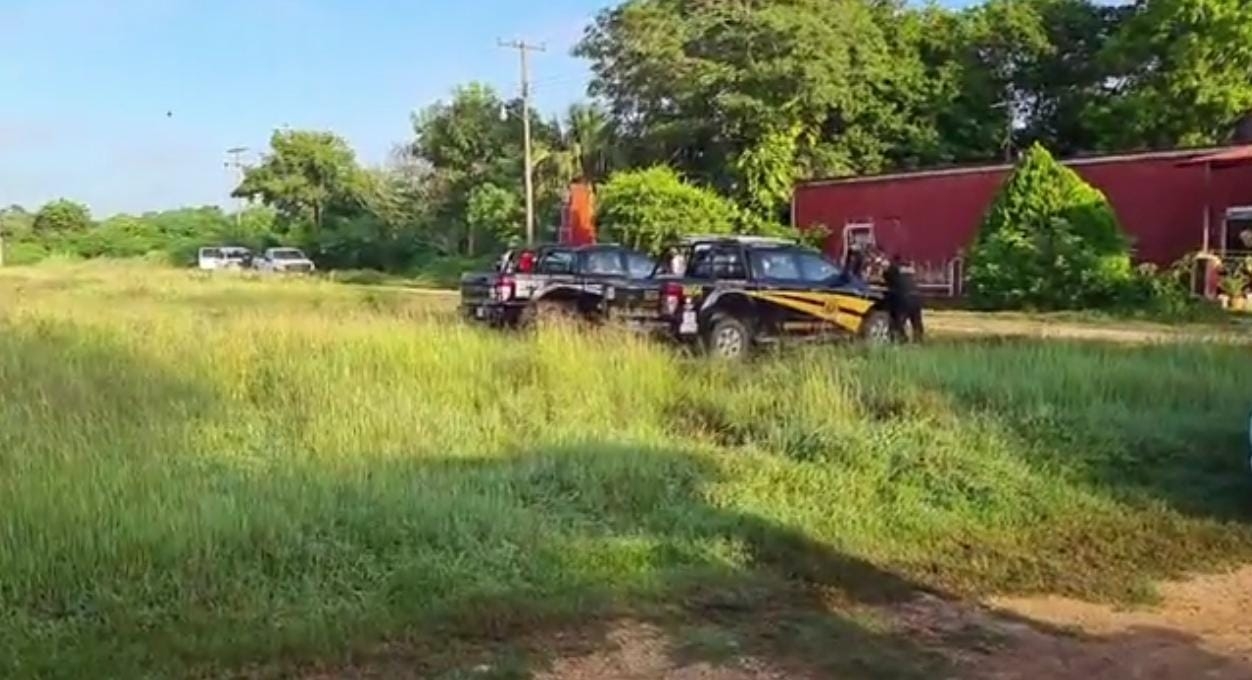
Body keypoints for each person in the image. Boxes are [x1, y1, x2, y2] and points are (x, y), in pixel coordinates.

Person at [884, 253, 923, 343]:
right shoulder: (910, 268)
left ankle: (902, 340)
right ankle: (918, 341)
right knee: (916, 322)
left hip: (904, 298)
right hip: (916, 297)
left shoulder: (893, 268)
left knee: (898, 322)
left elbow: (887, 279)